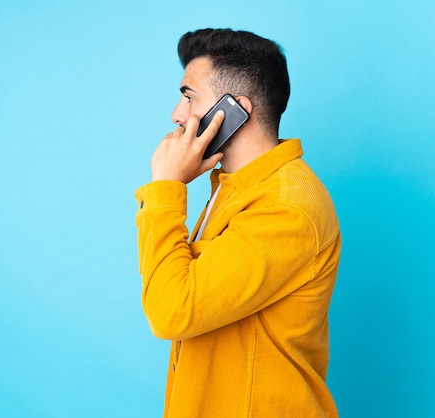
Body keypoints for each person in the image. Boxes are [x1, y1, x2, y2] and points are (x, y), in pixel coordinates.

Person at [135, 28, 341, 417]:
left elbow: (172, 311)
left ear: (235, 110)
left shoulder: (285, 207)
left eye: (188, 96)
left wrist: (165, 187)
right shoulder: (235, 189)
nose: (177, 114)